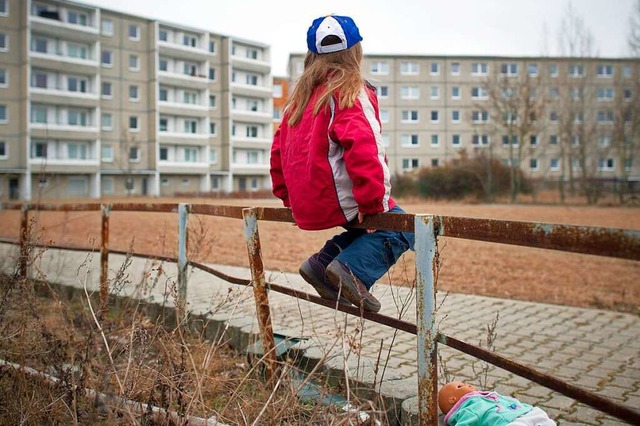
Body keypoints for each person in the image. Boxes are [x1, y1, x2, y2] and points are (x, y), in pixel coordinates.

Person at [270, 14, 414, 313]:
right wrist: (375, 205)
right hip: (338, 199)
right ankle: (352, 271)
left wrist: (288, 199)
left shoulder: (297, 101)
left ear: (312, 56)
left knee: (365, 230)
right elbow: (366, 149)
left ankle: (322, 265)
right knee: (403, 227)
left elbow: (277, 154)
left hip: (307, 204)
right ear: (356, 51)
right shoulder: (349, 90)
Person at [438, 381, 557, 425]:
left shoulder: (483, 396)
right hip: (508, 422)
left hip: (525, 412)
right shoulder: (469, 407)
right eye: (460, 386)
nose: (467, 384)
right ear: (452, 399)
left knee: (541, 415)